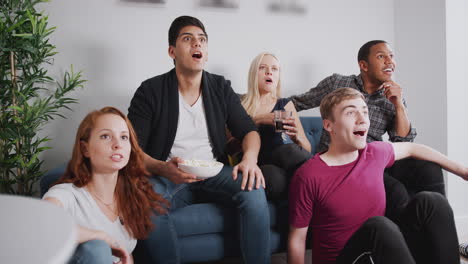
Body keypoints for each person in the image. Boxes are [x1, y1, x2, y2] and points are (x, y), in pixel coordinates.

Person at [127, 16, 270, 263]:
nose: (197, 44)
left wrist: (249, 159)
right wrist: (163, 168)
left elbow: (249, 131)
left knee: (253, 188)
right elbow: (133, 149)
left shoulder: (220, 87)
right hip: (168, 174)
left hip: (213, 171)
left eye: (202, 40)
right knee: (148, 202)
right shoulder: (150, 91)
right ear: (172, 51)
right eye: (188, 39)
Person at [288, 88, 467, 264]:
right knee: (379, 227)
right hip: (347, 259)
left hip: (379, 254)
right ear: (328, 125)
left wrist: (463, 171)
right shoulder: (308, 175)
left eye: (364, 112)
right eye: (351, 113)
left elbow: (413, 148)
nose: (362, 119)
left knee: (431, 202)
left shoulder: (374, 153)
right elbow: (297, 239)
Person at [288, 40, 445, 220]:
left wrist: (399, 105)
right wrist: (299, 136)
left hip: (375, 159)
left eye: (391, 56)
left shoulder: (392, 96)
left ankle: (441, 233)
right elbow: (295, 104)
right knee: (396, 191)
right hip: (343, 160)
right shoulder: (337, 82)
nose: (389, 61)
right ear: (363, 65)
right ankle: (402, 243)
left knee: (428, 168)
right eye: (381, 56)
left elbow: (402, 142)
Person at [43, 106, 168, 264]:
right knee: (97, 247)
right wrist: (101, 237)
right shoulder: (65, 194)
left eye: (124, 137)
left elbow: (125, 253)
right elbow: (41, 225)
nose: (117, 144)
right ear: (85, 148)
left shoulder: (131, 198)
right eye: (105, 136)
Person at [239, 52, 311, 200]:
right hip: (254, 161)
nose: (269, 72)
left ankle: (320, 188)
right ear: (254, 74)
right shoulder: (239, 102)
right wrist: (258, 120)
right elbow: (227, 145)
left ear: (278, 77)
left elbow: (307, 149)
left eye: (274, 69)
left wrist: (297, 138)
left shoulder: (285, 104)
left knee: (290, 151)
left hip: (281, 157)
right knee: (274, 178)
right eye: (263, 67)